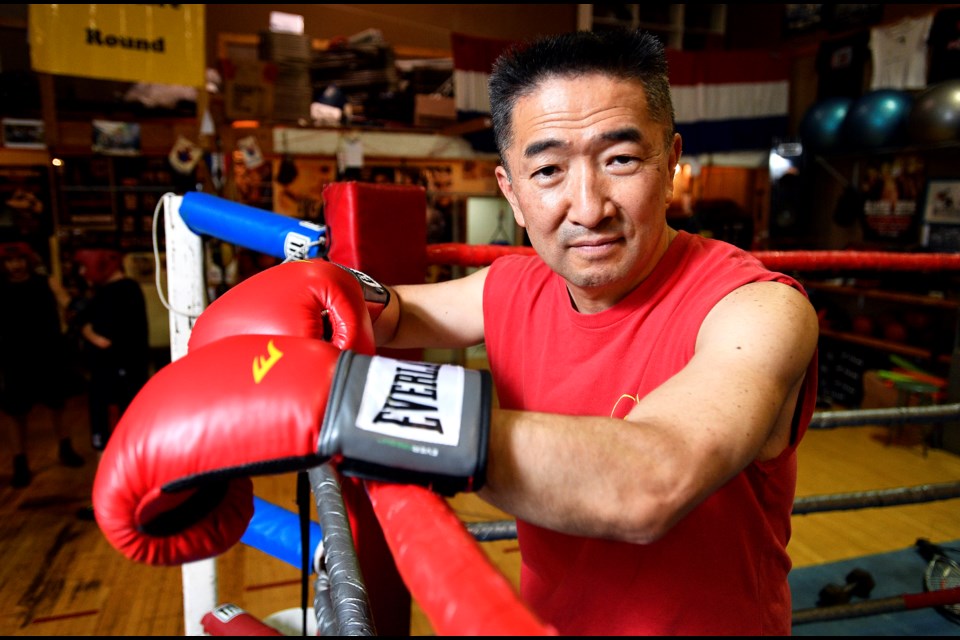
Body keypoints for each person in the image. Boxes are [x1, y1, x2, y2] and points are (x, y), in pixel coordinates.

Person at [91, 28, 819, 636]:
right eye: (548, 170)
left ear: (672, 163)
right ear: (509, 188)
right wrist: (323, 294)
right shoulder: (517, 283)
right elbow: (395, 311)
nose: (588, 206)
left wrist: (355, 409)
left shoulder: (758, 310)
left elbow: (654, 479)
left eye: (621, 159)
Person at [72, 247, 149, 517]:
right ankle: (127, 498)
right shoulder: (126, 289)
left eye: (85, 267)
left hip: (113, 378)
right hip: (126, 375)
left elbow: (103, 339)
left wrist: (82, 327)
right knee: (121, 438)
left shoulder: (115, 293)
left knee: (107, 440)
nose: (82, 273)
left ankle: (108, 504)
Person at [0, 242, 84, 488]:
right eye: (9, 261)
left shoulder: (46, 282)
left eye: (19, 260)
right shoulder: (1, 287)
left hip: (47, 351)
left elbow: (68, 304)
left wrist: (81, 313)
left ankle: (65, 447)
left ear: (28, 260)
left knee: (57, 403)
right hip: (13, 354)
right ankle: (20, 460)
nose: (15, 265)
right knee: (15, 411)